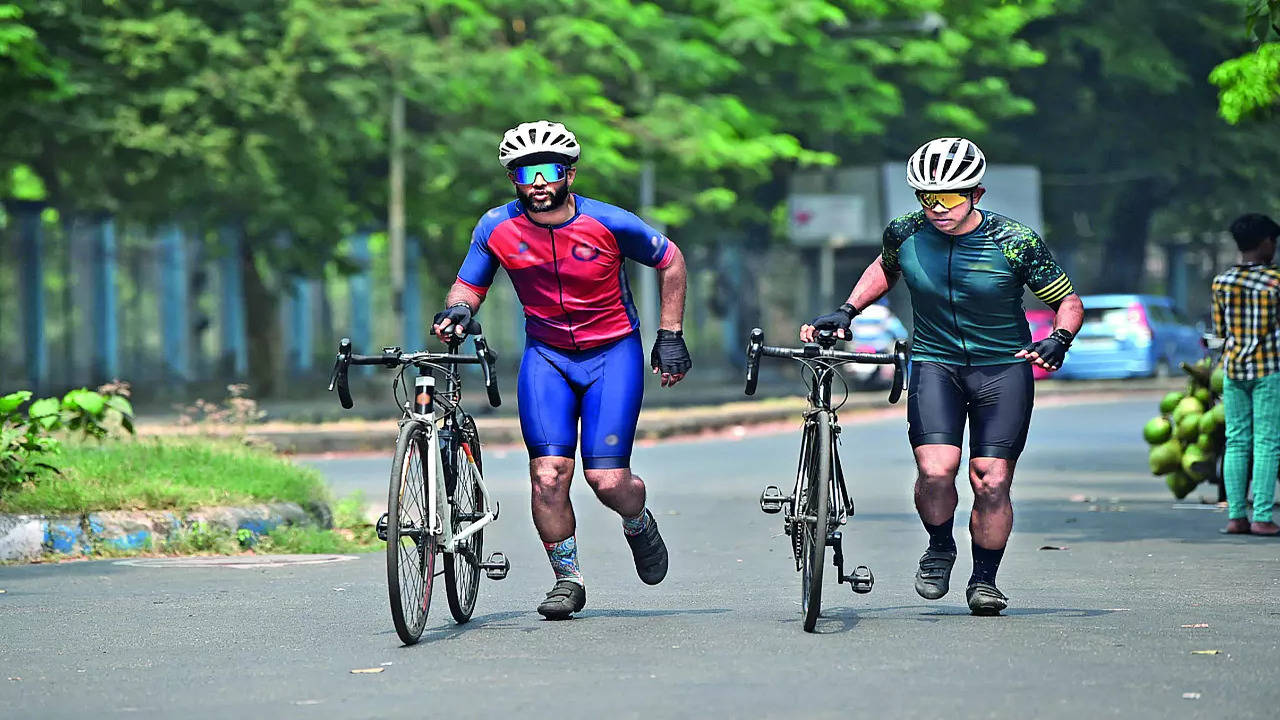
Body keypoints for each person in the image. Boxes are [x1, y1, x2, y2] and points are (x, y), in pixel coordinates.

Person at [801, 137, 1084, 615]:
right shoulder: (905, 231)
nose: (938, 208)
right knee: (936, 472)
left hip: (1004, 368)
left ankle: (985, 580)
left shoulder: (1015, 240)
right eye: (927, 197)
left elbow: (1067, 302)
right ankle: (939, 547)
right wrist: (847, 310)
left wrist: (1059, 338)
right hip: (935, 362)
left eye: (950, 197)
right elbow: (884, 268)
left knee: (990, 481)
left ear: (976, 194)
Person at [432, 120, 692, 619]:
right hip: (547, 357)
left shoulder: (610, 222)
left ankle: (637, 522)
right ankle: (567, 579)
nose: (538, 183)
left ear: (569, 174)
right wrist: (460, 309)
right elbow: (469, 284)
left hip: (611, 355)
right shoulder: (496, 227)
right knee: (548, 476)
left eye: (549, 170)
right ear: (513, 179)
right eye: (525, 173)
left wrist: (670, 334)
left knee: (608, 480)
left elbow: (671, 260)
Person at [1213, 213, 1280, 536]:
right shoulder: (1275, 282)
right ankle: (1263, 517)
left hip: (1233, 369)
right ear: (1266, 242)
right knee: (1267, 443)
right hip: (1269, 370)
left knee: (1236, 441)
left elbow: (1220, 332)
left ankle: (1236, 516)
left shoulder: (1221, 282)